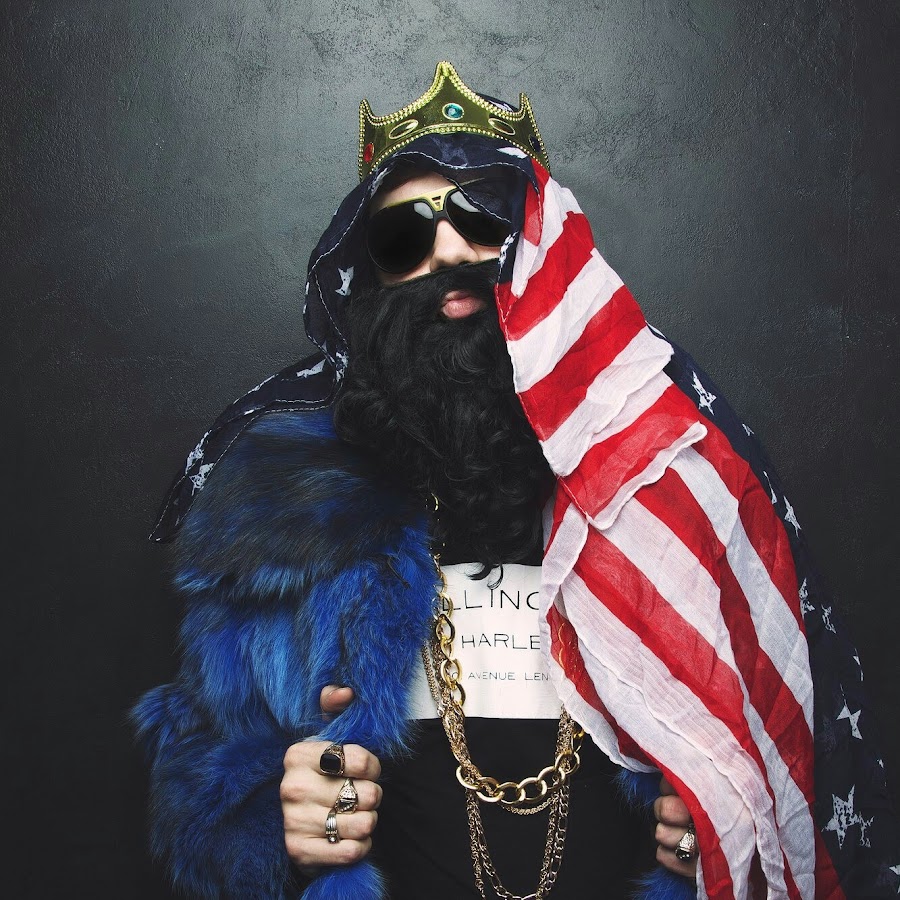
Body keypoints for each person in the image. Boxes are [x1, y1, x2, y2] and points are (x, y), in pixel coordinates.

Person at [134, 62, 898, 899]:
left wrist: (713, 836)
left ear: (542, 243)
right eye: (402, 238)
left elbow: (778, 749)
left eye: (483, 218)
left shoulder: (666, 478)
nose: (447, 252)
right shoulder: (286, 510)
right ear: (371, 278)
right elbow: (201, 798)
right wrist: (280, 833)